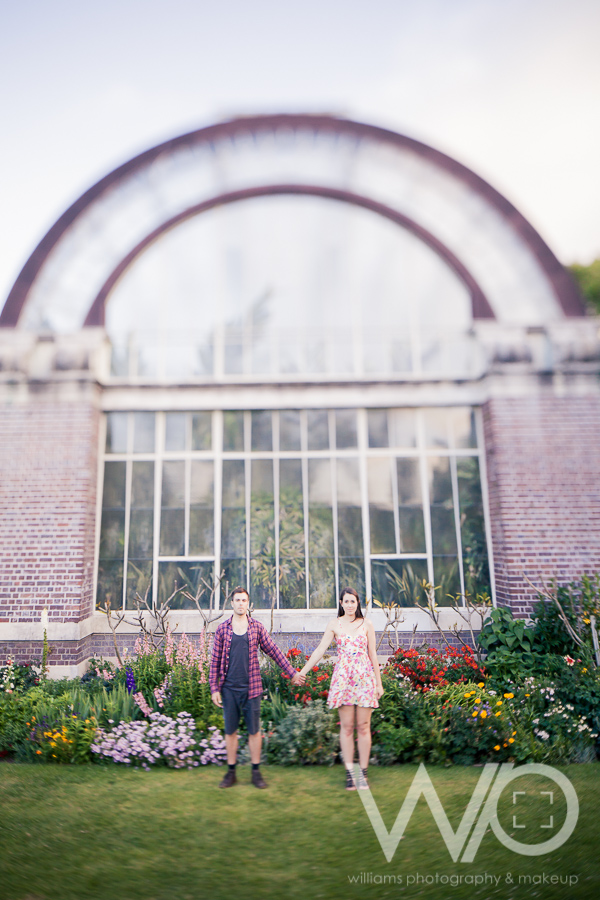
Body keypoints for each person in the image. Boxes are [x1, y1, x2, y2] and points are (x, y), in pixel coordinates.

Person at [209, 586, 305, 789]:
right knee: (231, 732)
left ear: (248, 604)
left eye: (244, 600)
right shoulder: (222, 629)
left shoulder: (257, 628)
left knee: (254, 731)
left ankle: (255, 772)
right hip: (228, 689)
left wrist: (292, 673)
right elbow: (215, 661)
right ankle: (231, 772)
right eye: (237, 600)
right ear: (232, 603)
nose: (241, 603)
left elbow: (274, 651)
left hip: (251, 689)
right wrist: (214, 689)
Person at [298, 587, 384, 790]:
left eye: (353, 601)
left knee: (363, 727)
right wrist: (303, 671)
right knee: (346, 728)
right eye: (346, 601)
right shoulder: (334, 624)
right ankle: (349, 773)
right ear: (341, 603)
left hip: (364, 679)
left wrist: (378, 683)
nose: (350, 605)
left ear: (358, 603)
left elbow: (372, 653)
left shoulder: (367, 624)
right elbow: (320, 649)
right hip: (343, 679)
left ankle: (362, 773)